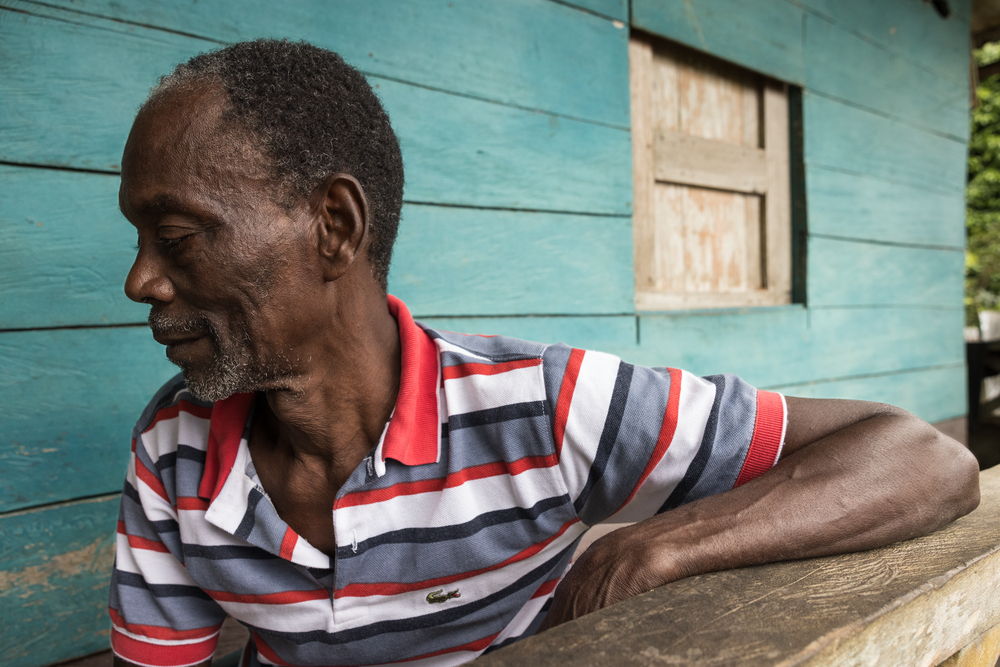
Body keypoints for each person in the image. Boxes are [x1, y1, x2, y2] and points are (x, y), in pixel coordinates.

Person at [109, 39, 980, 667]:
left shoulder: (538, 404)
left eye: (178, 236)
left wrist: (652, 548)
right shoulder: (171, 451)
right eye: (140, 239)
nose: (141, 280)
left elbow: (921, 457)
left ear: (335, 226)